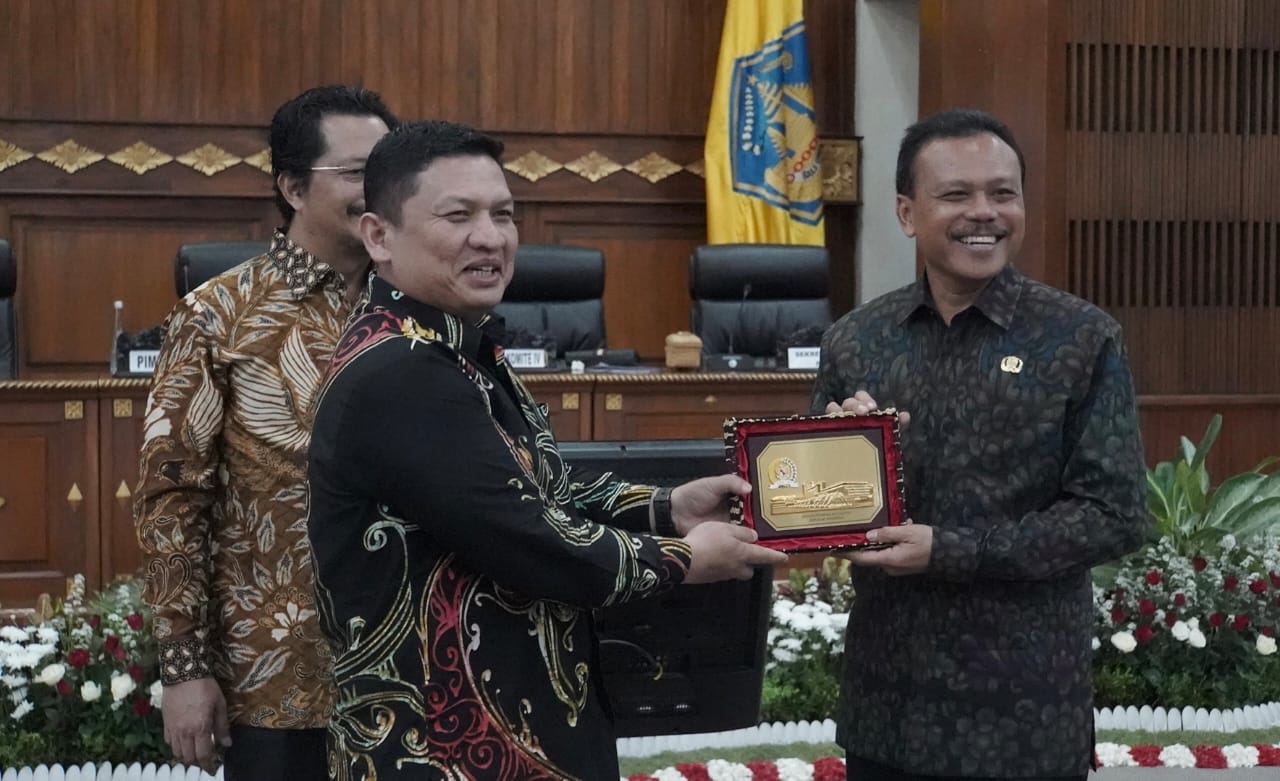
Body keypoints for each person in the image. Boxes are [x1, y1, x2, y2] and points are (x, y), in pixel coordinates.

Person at [306, 120, 788, 780]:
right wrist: (683, 558)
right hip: (443, 752)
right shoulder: (399, 373)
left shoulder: (457, 346)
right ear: (378, 236)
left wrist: (667, 507)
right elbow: (530, 537)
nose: (490, 237)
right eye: (458, 215)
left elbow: (531, 484)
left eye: (503, 214)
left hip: (513, 731)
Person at [809, 109, 1147, 780]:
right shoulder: (856, 340)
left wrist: (953, 550)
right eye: (956, 195)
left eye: (1002, 193)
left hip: (1022, 714)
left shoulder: (1081, 338)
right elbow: (817, 511)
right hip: (888, 708)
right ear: (907, 212)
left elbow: (1115, 513)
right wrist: (842, 450)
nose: (984, 213)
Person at [134, 85, 398, 779]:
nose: (378, 189)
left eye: (387, 169)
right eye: (356, 172)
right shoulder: (216, 315)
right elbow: (171, 499)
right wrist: (184, 666)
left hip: (412, 669)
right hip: (275, 675)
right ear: (292, 187)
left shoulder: (420, 310)